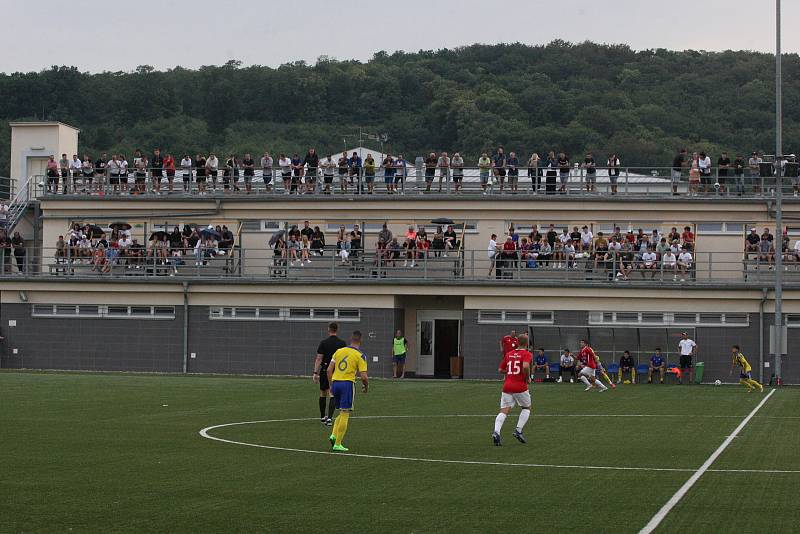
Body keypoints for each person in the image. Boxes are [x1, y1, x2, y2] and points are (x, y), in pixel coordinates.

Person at [326, 331, 369, 452]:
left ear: (351, 339)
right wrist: (366, 387)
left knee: (341, 411)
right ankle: (338, 444)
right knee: (345, 412)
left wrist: (330, 385)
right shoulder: (360, 355)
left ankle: (334, 435)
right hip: (347, 384)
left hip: (335, 383)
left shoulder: (339, 351)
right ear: (361, 341)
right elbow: (364, 377)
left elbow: (329, 370)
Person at [492, 333, 533, 446]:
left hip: (507, 386)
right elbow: (525, 366)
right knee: (526, 408)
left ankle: (496, 432)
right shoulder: (527, 354)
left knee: (504, 410)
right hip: (520, 386)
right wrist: (528, 378)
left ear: (517, 342)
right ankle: (518, 430)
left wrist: (510, 372)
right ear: (527, 343)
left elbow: (500, 369)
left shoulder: (509, 354)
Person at [313, 322, 347, 425]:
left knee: (323, 393)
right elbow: (343, 359)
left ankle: (323, 417)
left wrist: (315, 372)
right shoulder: (342, 343)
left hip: (324, 370)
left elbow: (319, 358)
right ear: (337, 329)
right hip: (336, 371)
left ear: (329, 329)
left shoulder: (323, 343)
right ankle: (330, 418)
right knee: (332, 394)